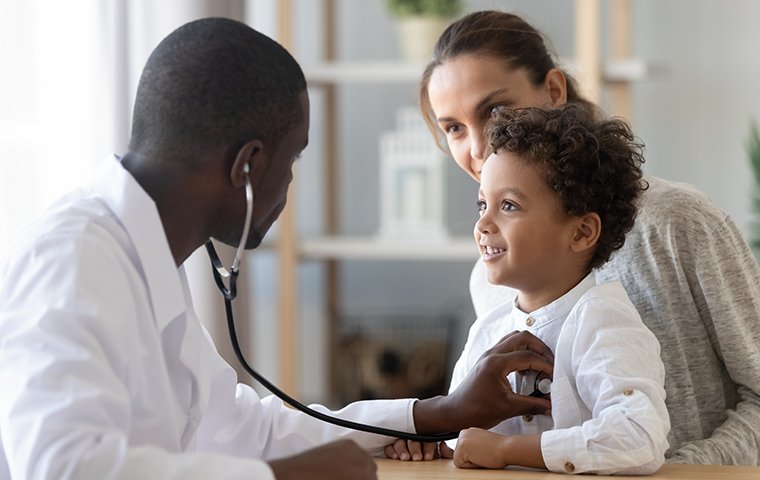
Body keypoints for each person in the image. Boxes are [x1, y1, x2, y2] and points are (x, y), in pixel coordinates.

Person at [0, 17, 557, 480]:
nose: (290, 186)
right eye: (291, 161)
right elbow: (62, 466)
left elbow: (248, 429)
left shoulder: (142, 259)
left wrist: (437, 412)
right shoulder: (69, 259)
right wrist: (285, 477)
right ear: (247, 167)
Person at [388, 9, 760, 465]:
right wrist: (436, 440)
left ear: (554, 92)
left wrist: (681, 471)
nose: (479, 146)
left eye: (496, 111)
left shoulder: (680, 223)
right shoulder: (492, 280)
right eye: (454, 128)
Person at [450, 104, 669, 474]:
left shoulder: (603, 322)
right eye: (482, 204)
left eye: (508, 205)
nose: (483, 223)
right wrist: (429, 443)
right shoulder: (488, 329)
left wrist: (508, 449)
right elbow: (461, 435)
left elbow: (639, 438)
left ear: (582, 232)